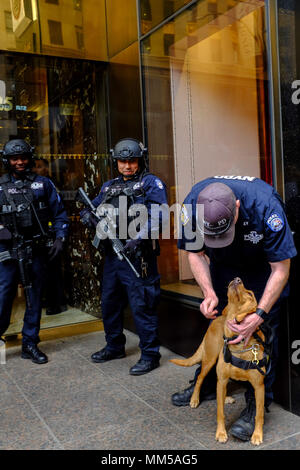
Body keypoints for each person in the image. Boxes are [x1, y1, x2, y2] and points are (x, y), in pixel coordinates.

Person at [172, 175, 297, 441]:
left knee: (260, 334)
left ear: (237, 207)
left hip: (263, 268)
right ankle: (205, 383)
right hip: (224, 266)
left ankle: (256, 405)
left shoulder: (266, 206)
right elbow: (194, 253)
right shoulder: (191, 206)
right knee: (221, 325)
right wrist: (208, 292)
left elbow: (282, 268)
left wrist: (259, 314)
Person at [80, 138, 167, 375]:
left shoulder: (150, 183)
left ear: (140, 160)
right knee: (110, 303)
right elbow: (89, 207)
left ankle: (150, 355)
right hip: (112, 257)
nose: (127, 166)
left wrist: (137, 239)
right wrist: (88, 217)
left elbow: (159, 215)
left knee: (142, 305)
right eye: (122, 161)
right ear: (116, 162)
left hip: (138, 256)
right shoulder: (109, 187)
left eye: (132, 161)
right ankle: (114, 346)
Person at [0, 139, 69, 364]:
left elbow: (59, 213)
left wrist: (60, 238)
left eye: (23, 158)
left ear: (30, 157)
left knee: (34, 298)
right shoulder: (0, 186)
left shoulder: (43, 184)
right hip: (8, 251)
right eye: (14, 158)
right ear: (7, 160)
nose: (19, 162)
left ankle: (29, 344)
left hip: (36, 250)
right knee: (3, 297)